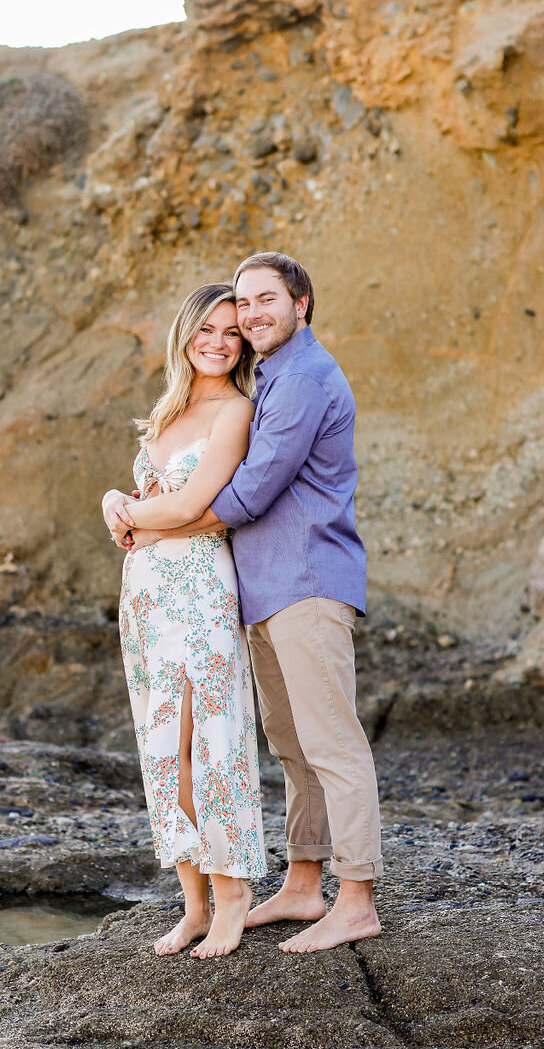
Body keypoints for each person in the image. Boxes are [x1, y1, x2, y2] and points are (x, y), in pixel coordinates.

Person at [107, 252, 383, 954]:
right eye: (242, 302)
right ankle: (302, 881)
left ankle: (355, 900)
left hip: (306, 579)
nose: (251, 316)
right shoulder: (272, 378)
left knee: (331, 742)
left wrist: (141, 518)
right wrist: (132, 505)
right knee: (292, 745)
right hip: (260, 588)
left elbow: (243, 497)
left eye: (265, 300)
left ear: (303, 303)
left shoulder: (301, 382)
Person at [101, 283, 267, 959]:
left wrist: (123, 507)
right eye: (208, 329)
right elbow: (151, 498)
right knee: (162, 747)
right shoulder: (169, 411)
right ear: (185, 334)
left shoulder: (236, 410)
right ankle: (192, 903)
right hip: (144, 595)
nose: (220, 342)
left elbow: (197, 503)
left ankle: (233, 898)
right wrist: (122, 496)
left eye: (232, 332)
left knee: (209, 744)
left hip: (198, 586)